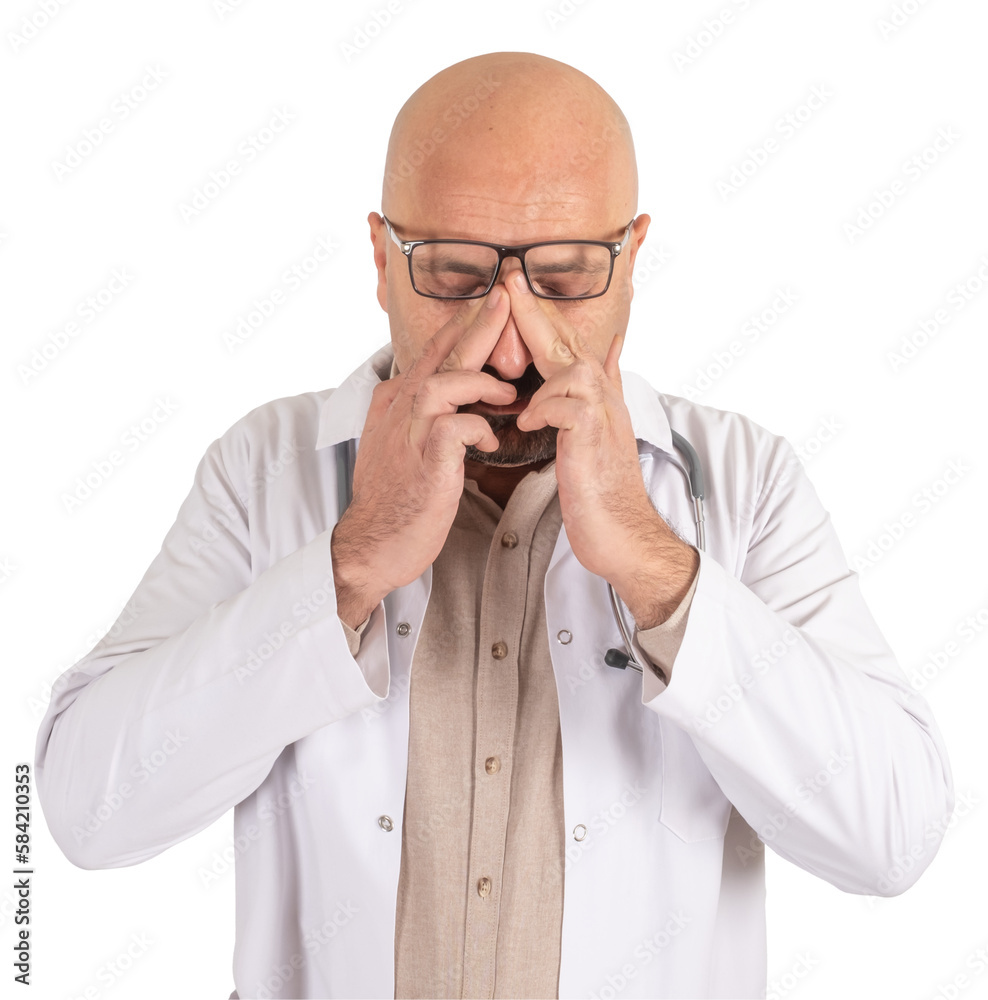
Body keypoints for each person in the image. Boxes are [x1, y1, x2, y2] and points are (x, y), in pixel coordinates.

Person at [36, 51, 953, 1000]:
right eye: (454, 273)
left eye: (565, 276)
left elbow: (893, 838)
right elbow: (87, 812)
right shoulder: (264, 468)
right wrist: (351, 563)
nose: (510, 345)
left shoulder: (744, 481)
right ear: (382, 261)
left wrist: (655, 568)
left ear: (631, 260)